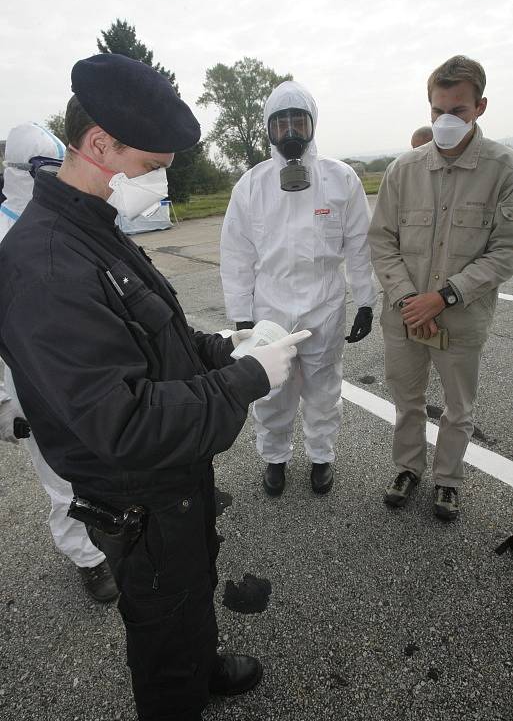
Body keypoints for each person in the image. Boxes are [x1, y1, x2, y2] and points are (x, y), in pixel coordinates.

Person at [0, 53, 309, 721]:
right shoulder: (48, 264)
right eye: (151, 167)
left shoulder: (94, 227)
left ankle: (197, 670)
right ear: (98, 145)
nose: (158, 182)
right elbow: (123, 421)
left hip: (174, 476)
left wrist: (224, 347)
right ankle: (176, 697)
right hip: (136, 487)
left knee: (191, 586)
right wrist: (247, 379)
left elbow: (152, 331)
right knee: (161, 610)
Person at [368, 55, 513, 521]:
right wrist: (410, 299)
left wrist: (445, 295)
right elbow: (382, 240)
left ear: (481, 107)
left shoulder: (503, 169)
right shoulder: (402, 170)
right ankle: (407, 469)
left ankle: (448, 480)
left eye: (459, 111)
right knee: (406, 399)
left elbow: (506, 250)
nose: (446, 120)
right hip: (405, 314)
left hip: (460, 315)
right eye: (437, 111)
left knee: (457, 406)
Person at [220, 81, 377, 497]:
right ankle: (274, 459)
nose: (290, 132)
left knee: (324, 389)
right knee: (271, 390)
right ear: (268, 130)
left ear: (312, 125)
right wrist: (242, 314)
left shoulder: (341, 179)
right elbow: (236, 255)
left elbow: (360, 246)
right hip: (269, 308)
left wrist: (365, 300)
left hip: (324, 305)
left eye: (298, 121)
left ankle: (321, 457)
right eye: (280, 123)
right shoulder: (251, 186)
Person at [0, 122, 118, 602]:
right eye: (47, 169)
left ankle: (111, 534)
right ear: (21, 172)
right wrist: (4, 403)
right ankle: (88, 558)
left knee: (101, 461)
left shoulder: (68, 218)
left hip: (83, 370)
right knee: (60, 475)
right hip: (29, 381)